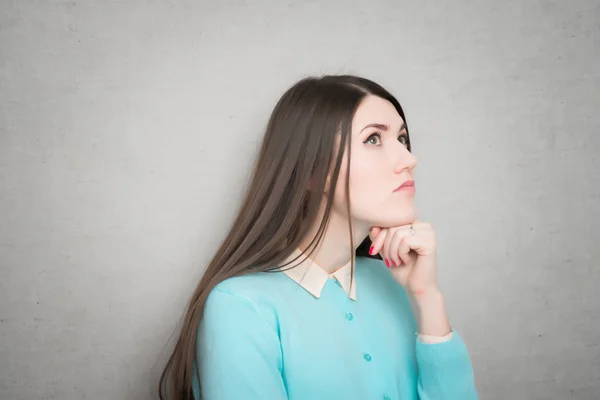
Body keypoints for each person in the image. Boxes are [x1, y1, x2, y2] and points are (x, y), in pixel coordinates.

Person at [158, 75, 479, 400]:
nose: (409, 159)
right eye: (373, 139)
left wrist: (428, 297)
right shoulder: (241, 307)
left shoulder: (392, 281)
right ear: (312, 170)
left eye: (402, 138)